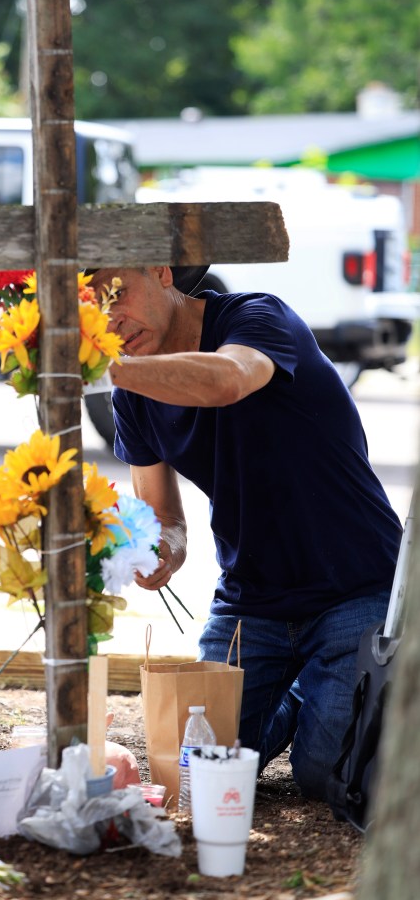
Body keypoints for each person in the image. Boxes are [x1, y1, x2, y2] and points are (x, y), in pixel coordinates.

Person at [88, 264, 402, 801]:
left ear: (161, 271)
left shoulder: (258, 316)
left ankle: (326, 688)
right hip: (250, 598)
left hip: (359, 584)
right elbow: (164, 519)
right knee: (192, 767)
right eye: (89, 310)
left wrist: (98, 367)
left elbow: (226, 380)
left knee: (322, 775)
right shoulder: (133, 397)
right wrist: (161, 551)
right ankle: (318, 688)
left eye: (116, 291)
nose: (108, 317)